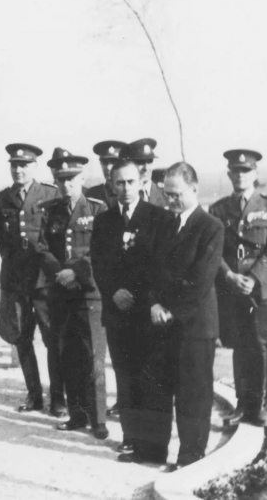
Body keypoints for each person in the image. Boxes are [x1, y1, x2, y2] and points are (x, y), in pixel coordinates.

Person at [140, 162, 223, 470]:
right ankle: (154, 452)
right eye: (166, 195)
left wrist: (169, 309)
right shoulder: (163, 225)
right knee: (160, 388)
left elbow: (200, 282)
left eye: (176, 195)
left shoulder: (211, 227)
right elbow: (150, 272)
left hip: (195, 326)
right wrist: (152, 304)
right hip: (163, 321)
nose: (170, 201)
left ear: (194, 189)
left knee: (193, 395)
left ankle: (190, 457)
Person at [91, 158, 173, 458]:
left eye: (130, 182)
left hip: (146, 312)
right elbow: (98, 264)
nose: (125, 188)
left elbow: (161, 267)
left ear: (141, 182)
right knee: (124, 376)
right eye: (119, 183)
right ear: (111, 186)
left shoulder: (159, 218)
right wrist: (113, 292)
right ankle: (129, 435)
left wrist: (139, 295)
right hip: (117, 312)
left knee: (149, 376)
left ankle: (151, 442)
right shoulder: (104, 221)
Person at [209, 149, 267, 427]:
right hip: (231, 288)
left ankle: (260, 405)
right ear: (229, 175)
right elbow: (213, 251)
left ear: (255, 174)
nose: (240, 176)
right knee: (240, 345)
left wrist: (252, 277)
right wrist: (229, 277)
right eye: (235, 171)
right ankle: (243, 404)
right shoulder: (218, 209)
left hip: (261, 289)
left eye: (246, 171)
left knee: (260, 345)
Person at [0, 143, 65, 416]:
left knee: (51, 338)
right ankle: (34, 395)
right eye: (14, 165)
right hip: (15, 280)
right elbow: (2, 243)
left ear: (34, 167)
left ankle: (58, 399)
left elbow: (56, 240)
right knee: (21, 338)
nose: (18, 169)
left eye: (24, 165)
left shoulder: (50, 194)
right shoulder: (0, 200)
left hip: (44, 280)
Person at [41, 149, 109, 439]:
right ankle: (77, 414)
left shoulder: (97, 209)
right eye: (60, 179)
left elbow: (104, 252)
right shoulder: (51, 212)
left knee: (93, 357)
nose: (66, 185)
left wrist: (76, 273)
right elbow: (42, 248)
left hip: (89, 294)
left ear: (82, 178)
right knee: (67, 355)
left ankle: (98, 419)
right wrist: (60, 273)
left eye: (71, 179)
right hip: (61, 294)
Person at [119, 139, 169, 208]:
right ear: (130, 164)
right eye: (140, 162)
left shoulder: (165, 195)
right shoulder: (122, 196)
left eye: (150, 161)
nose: (146, 168)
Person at [86, 140, 126, 209]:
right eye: (105, 162)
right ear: (100, 164)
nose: (108, 167)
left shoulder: (132, 191)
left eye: (113, 161)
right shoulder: (92, 194)